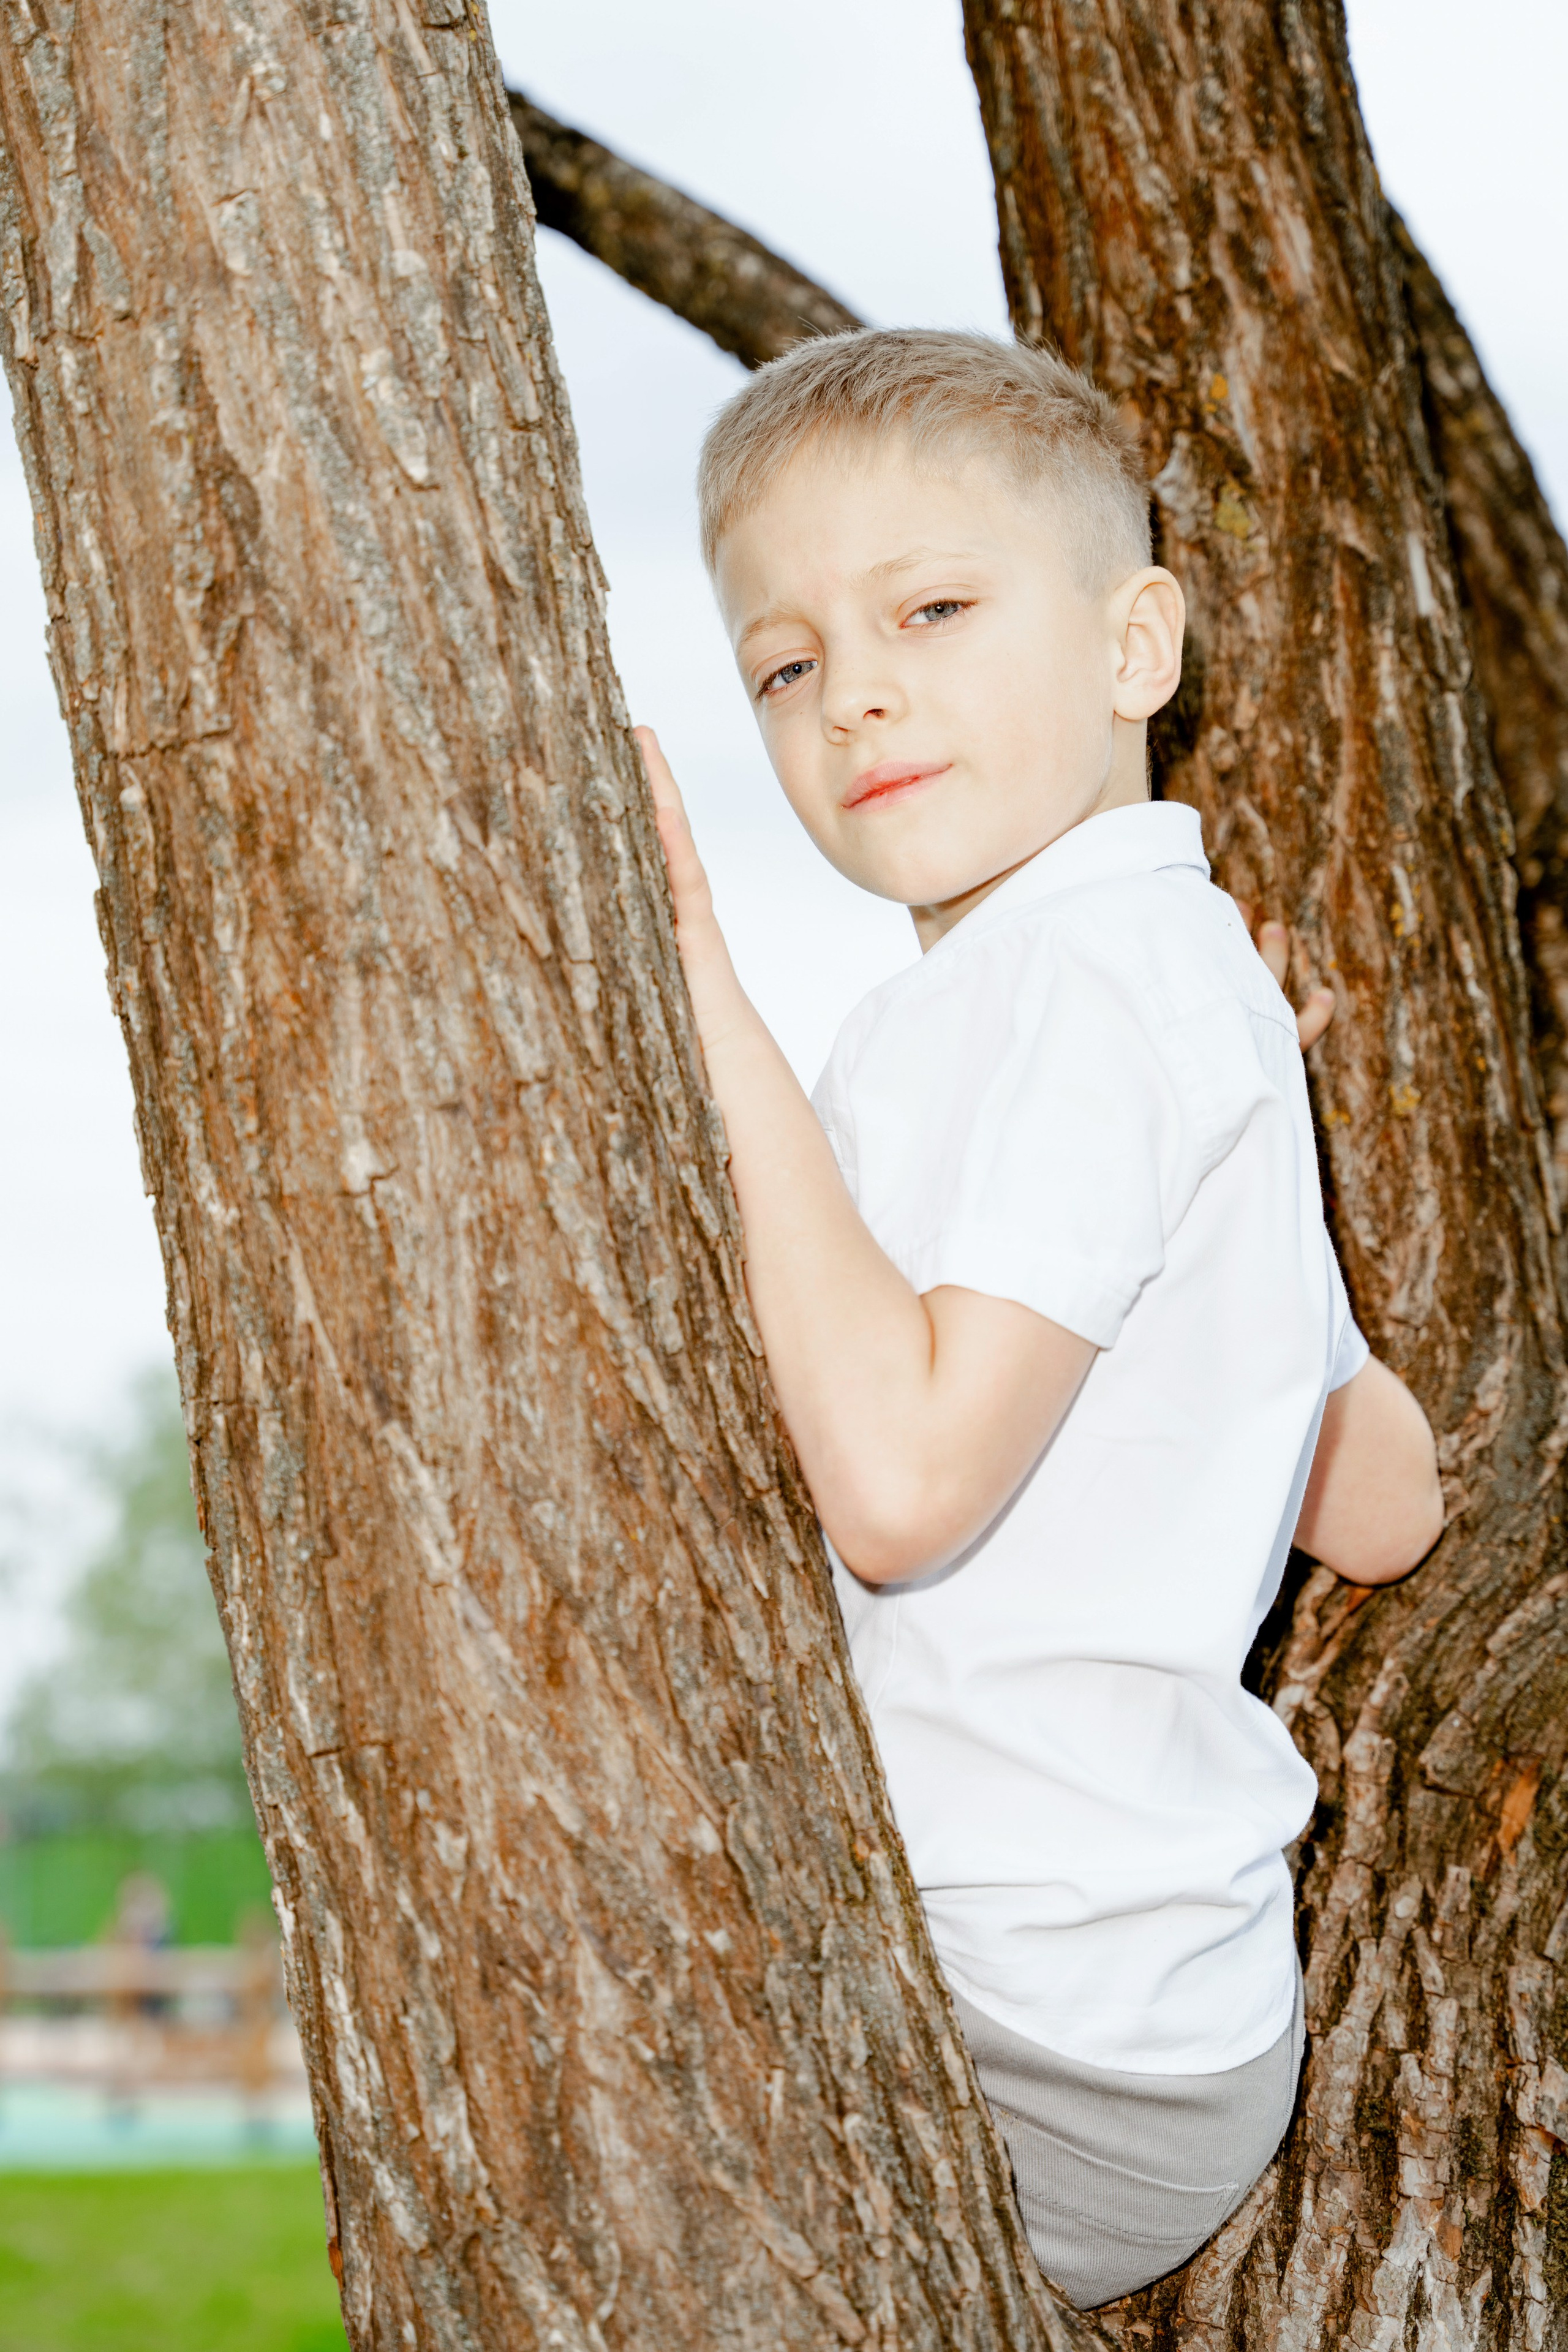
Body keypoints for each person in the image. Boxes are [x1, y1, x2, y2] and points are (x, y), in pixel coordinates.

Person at [637, 329, 1442, 2311]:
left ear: (1131, 645)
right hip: (1141, 2009)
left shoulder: (1093, 992)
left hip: (1031, 2023)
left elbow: (905, 1488)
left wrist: (696, 994)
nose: (860, 693)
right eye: (786, 664)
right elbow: (1384, 1504)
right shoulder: (1119, 988)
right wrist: (1256, 1183)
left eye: (931, 606)